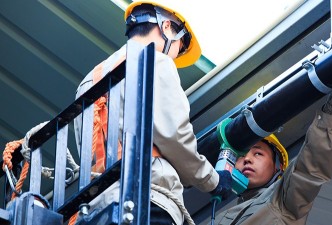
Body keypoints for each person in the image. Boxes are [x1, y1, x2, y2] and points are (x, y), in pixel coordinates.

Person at [73, 1, 231, 224]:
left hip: (97, 208)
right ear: (167, 27)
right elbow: (175, 135)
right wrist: (212, 180)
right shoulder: (156, 61)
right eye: (181, 46)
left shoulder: (88, 82)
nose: (176, 56)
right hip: (146, 200)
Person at [211, 79, 332, 225]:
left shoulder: (284, 201)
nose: (247, 159)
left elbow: (308, 171)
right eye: (241, 156)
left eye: (258, 154)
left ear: (278, 166)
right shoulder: (220, 219)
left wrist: (331, 117)